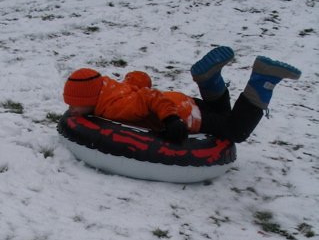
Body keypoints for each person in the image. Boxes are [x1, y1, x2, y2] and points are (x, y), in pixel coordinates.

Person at [63, 46, 301, 143]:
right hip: (179, 100)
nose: (71, 109)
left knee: (236, 130)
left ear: (90, 100)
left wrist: (170, 120)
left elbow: (149, 97)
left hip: (182, 113)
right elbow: (139, 83)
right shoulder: (110, 89)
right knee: (222, 113)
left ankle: (263, 79)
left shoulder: (113, 107)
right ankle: (210, 80)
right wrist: (136, 79)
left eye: (75, 104)